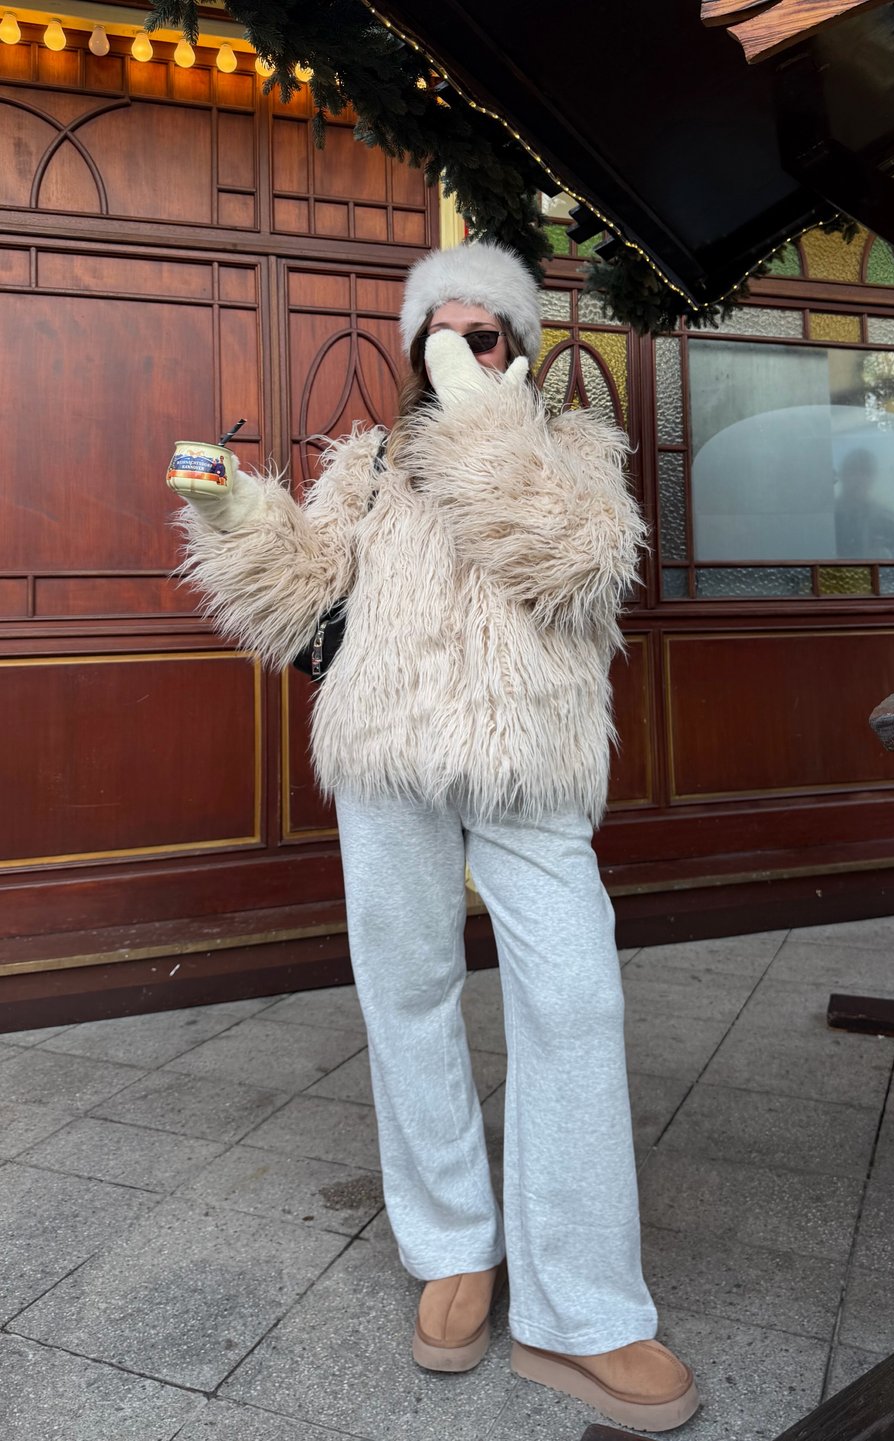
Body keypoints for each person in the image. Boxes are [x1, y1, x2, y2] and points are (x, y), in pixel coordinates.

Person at [172, 240, 699, 1433]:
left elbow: (576, 565)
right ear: (412, 346)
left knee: (575, 1002)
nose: (457, 350)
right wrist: (234, 509)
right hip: (386, 748)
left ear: (519, 347)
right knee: (405, 989)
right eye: (438, 336)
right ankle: (452, 1244)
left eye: (482, 333)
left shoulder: (573, 447)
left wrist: (481, 421)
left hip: (526, 755)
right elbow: (303, 590)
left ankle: (581, 1310)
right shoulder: (370, 465)